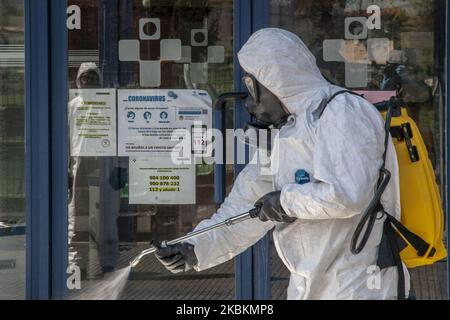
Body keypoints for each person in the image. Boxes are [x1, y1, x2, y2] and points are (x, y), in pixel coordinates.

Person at [155, 28, 410, 300]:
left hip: (360, 283)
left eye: (252, 89)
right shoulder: (285, 132)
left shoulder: (342, 111)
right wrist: (195, 248)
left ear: (269, 82)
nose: (251, 104)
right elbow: (246, 206)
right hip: (309, 283)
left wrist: (284, 201)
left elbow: (348, 194)